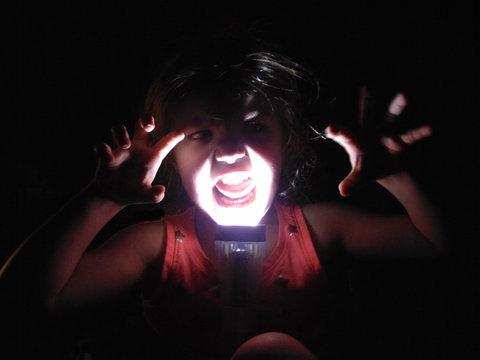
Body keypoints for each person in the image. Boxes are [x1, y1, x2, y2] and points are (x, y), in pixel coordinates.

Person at [1, 35, 445, 360]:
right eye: (201, 132)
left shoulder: (317, 230)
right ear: (171, 158)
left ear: (285, 143)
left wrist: (400, 178)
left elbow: (440, 244)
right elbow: (28, 300)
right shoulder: (158, 245)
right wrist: (103, 199)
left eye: (253, 126)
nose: (231, 151)